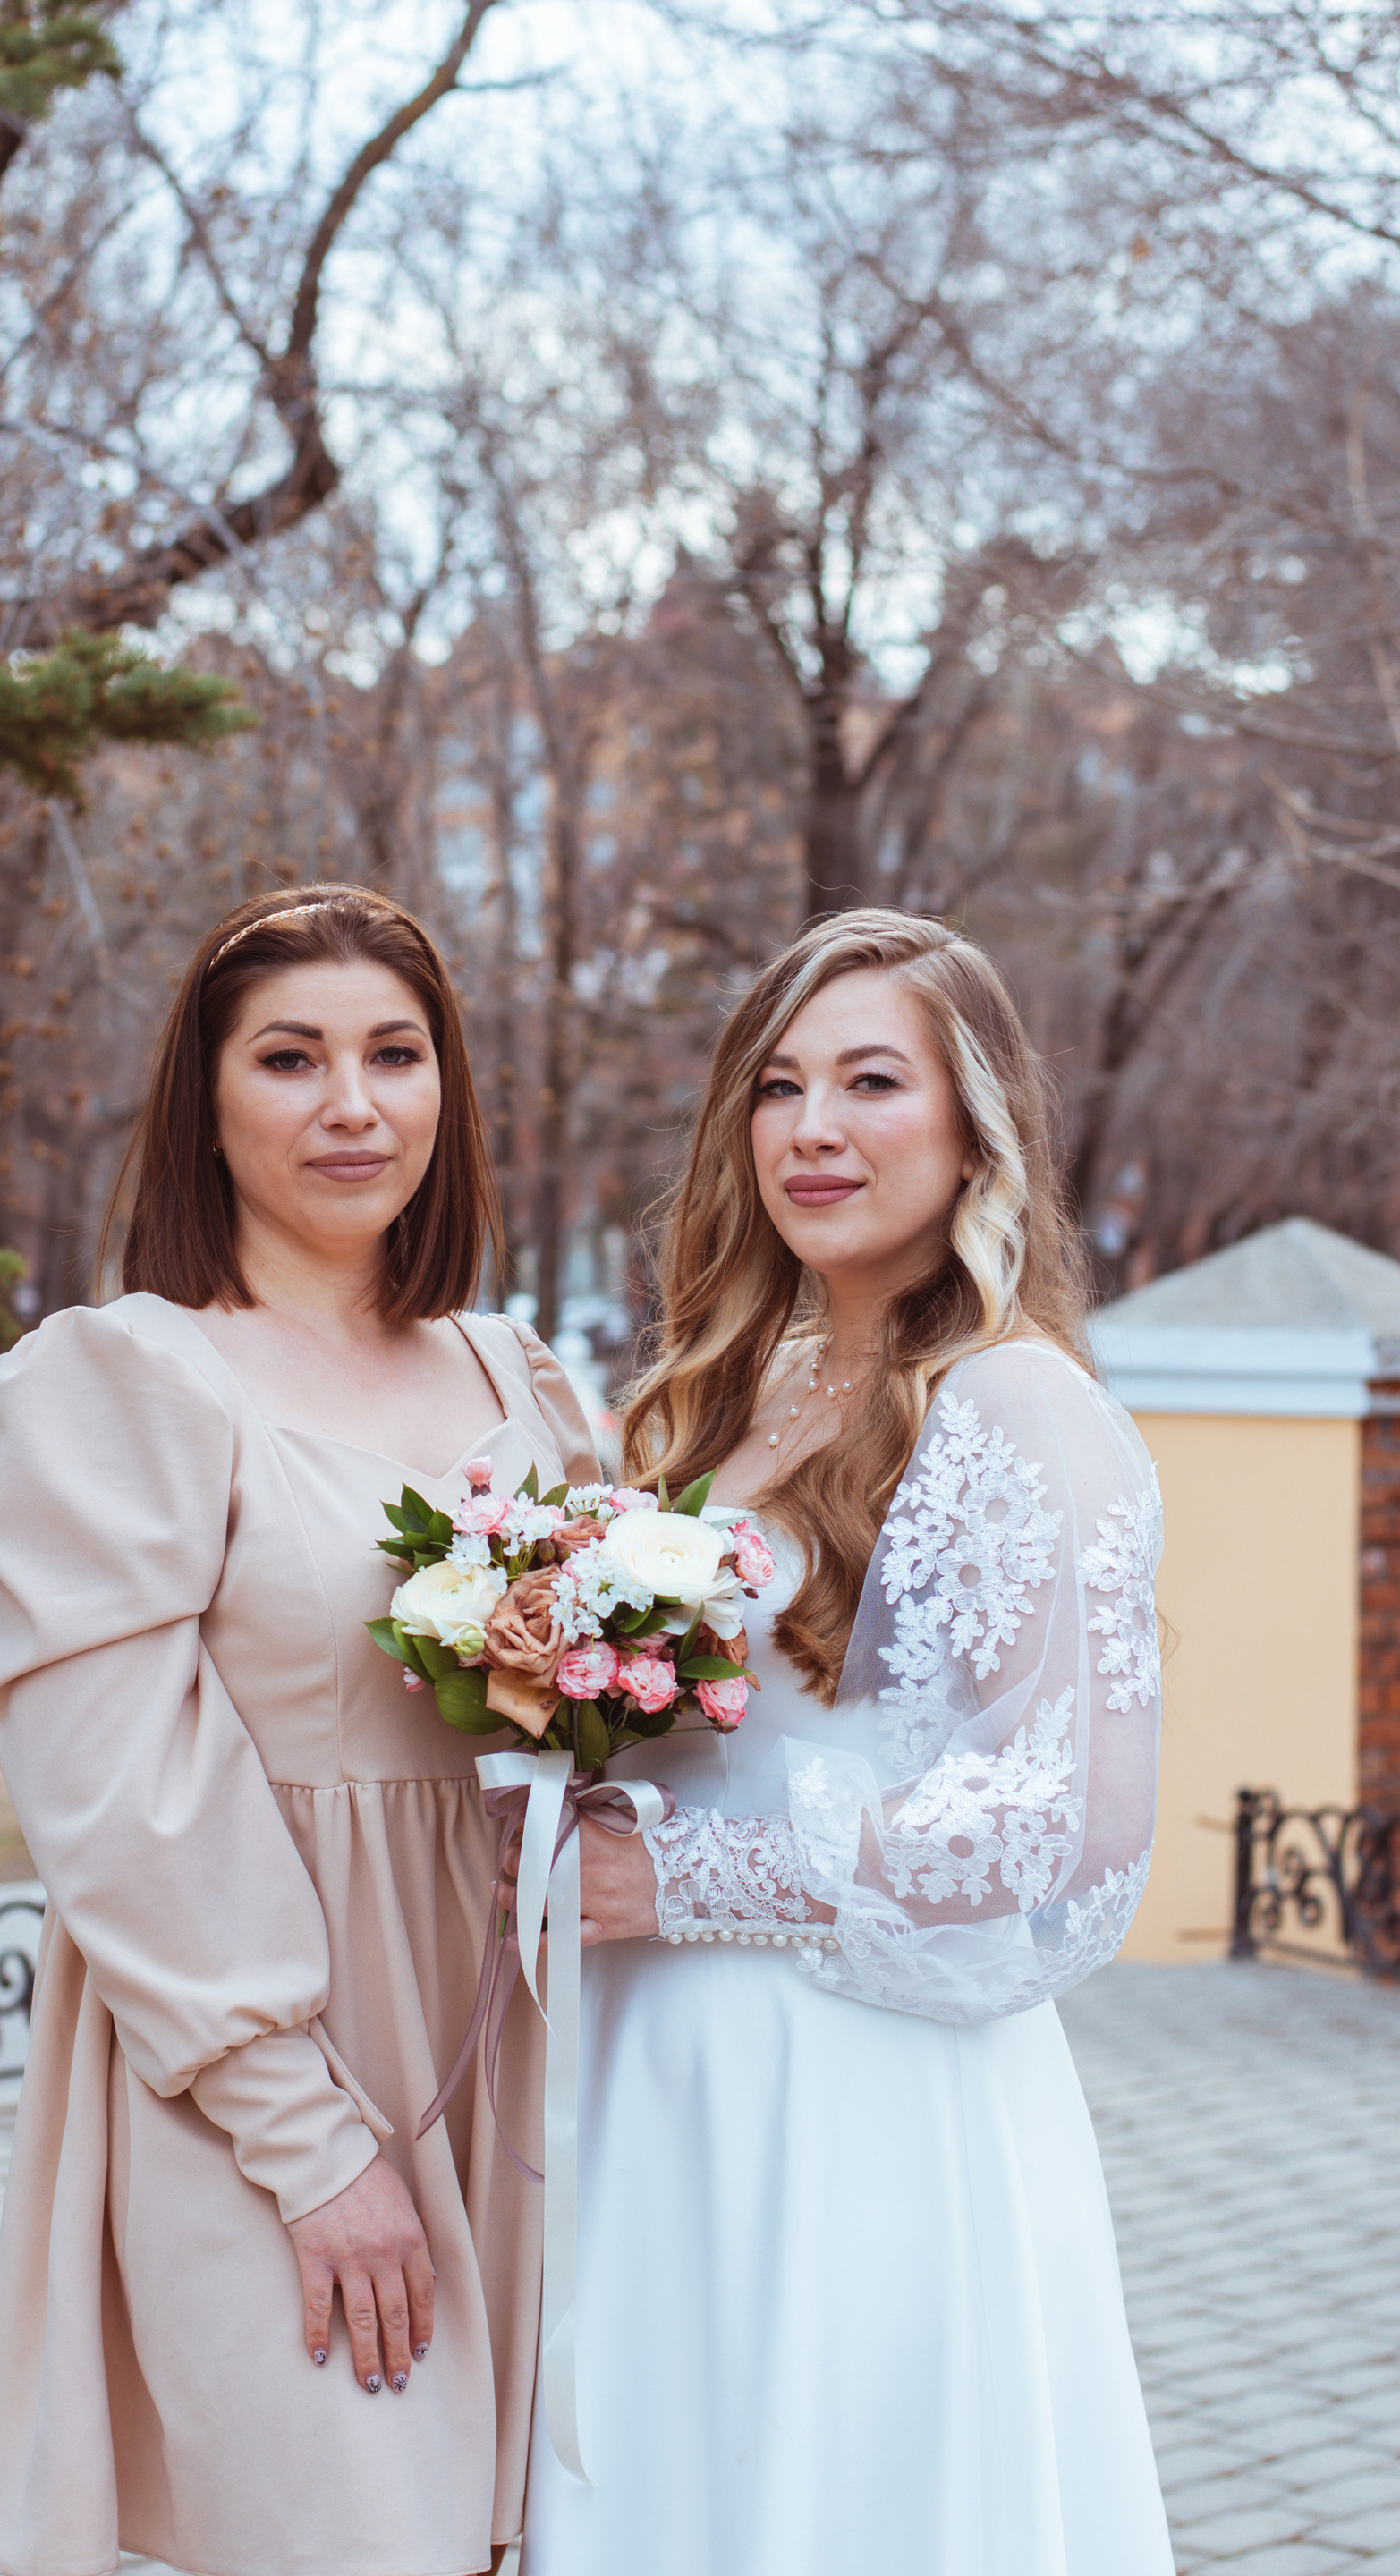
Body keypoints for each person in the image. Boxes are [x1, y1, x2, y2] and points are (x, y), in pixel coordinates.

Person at [0, 886, 598, 2576]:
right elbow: (115, 1794)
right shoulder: (126, 1380)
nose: (353, 1106)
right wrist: (309, 2147)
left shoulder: (522, 1380)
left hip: (514, 2053)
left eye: (397, 1055)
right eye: (292, 1059)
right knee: (355, 2529)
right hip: (264, 2064)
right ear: (208, 1096)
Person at [522, 910, 1174, 2576]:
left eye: (873, 1083)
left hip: (857, 2081)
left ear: (975, 1126)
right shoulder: (730, 1389)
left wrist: (690, 1878)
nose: (813, 1129)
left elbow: (1072, 1816)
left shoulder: (1019, 1406)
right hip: (660, 2069)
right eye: (780, 1086)